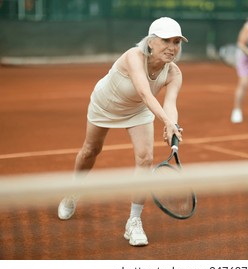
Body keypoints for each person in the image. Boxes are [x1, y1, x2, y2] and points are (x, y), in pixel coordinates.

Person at [57, 17, 188, 247]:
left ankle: (134, 221)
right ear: (150, 42)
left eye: (176, 42)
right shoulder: (133, 57)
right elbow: (146, 93)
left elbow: (170, 104)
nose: (172, 47)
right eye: (166, 40)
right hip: (104, 105)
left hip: (138, 111)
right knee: (90, 150)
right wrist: (167, 121)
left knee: (145, 157)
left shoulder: (174, 73)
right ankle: (72, 192)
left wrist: (172, 124)